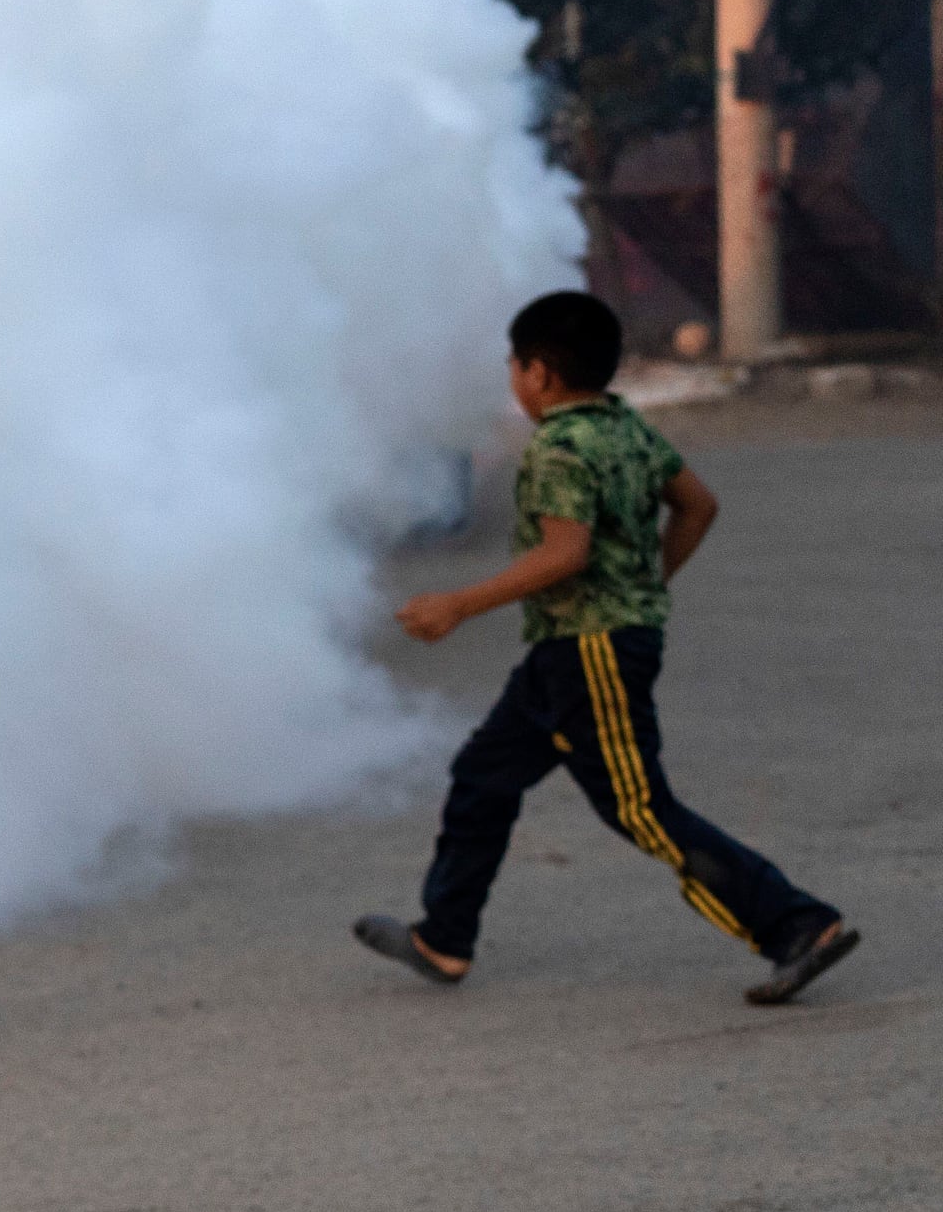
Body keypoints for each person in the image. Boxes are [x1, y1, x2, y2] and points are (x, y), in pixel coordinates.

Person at [354, 289, 858, 1007]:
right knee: (484, 775)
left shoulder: (560, 446)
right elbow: (697, 505)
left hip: (591, 651)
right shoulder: (624, 424)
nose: (511, 378)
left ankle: (799, 925)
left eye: (514, 364)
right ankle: (445, 937)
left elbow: (565, 553)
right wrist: (646, 584)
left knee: (641, 808)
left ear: (540, 374)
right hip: (568, 648)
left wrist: (457, 604)